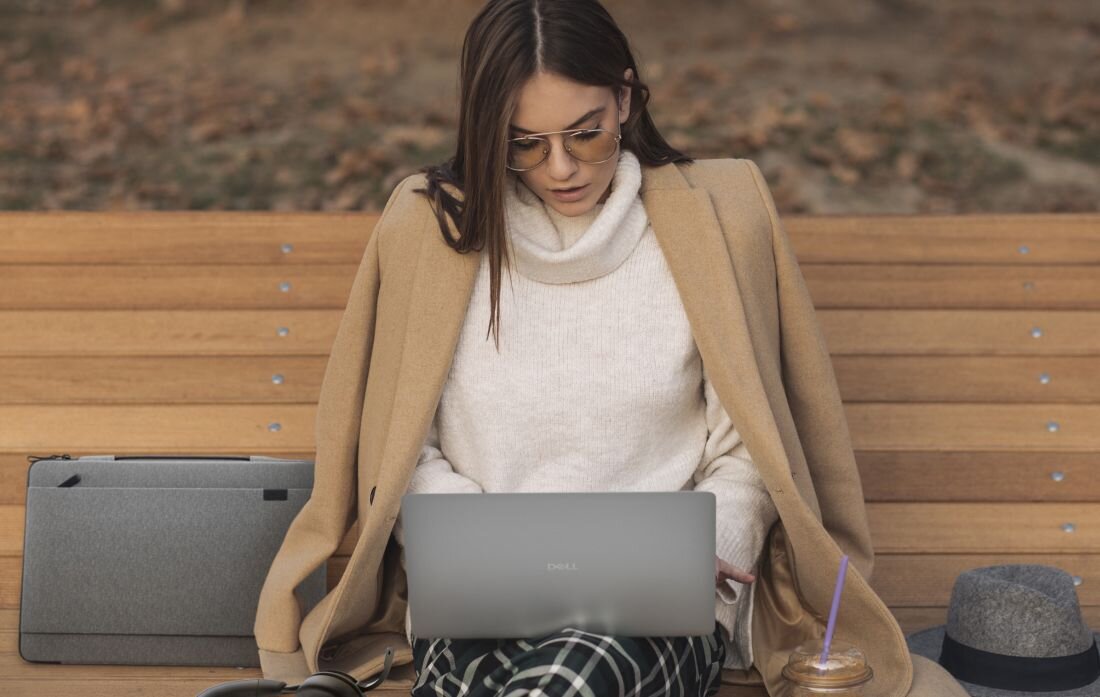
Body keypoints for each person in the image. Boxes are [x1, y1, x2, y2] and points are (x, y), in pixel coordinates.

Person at [389, 1, 777, 695]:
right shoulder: (437, 235)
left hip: (652, 612)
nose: (560, 167)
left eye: (585, 134)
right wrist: (479, 554)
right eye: (525, 142)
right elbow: (403, 449)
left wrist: (710, 546)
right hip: (481, 603)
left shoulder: (704, 233)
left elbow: (748, 449)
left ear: (624, 98)